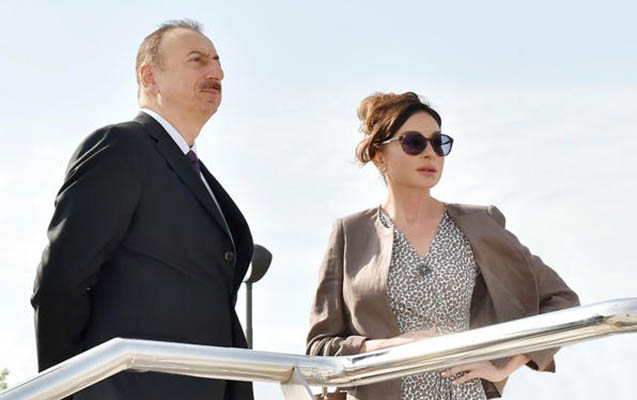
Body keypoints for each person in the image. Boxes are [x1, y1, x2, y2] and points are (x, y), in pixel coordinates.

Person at [31, 19, 253, 400]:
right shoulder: (121, 148)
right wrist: (64, 390)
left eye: (217, 61)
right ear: (150, 77)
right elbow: (60, 283)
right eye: (197, 60)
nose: (217, 72)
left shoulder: (197, 175)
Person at [306, 92, 579, 399]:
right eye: (413, 142)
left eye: (438, 143)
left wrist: (505, 364)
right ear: (379, 156)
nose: (430, 153)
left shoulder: (481, 223)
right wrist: (385, 348)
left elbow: (562, 301)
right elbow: (319, 347)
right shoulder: (350, 234)